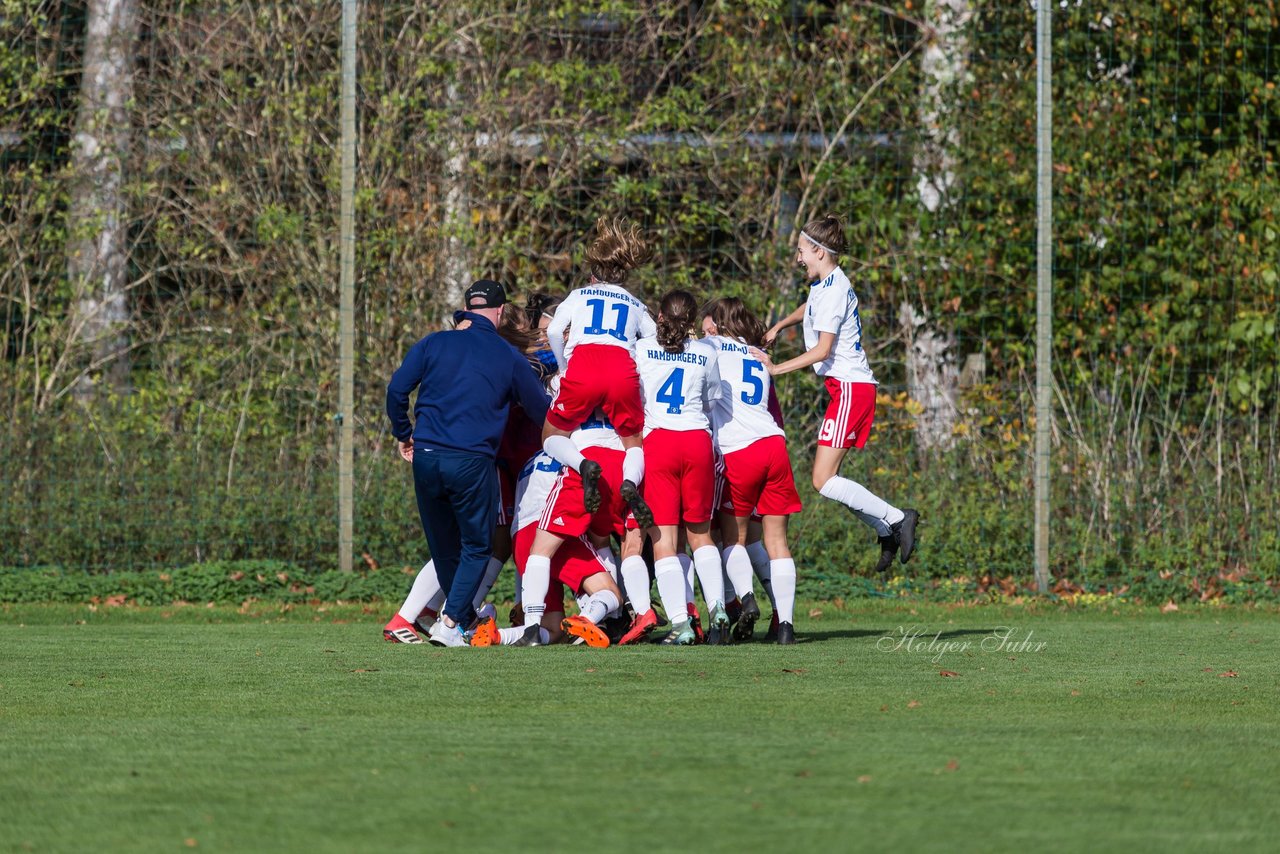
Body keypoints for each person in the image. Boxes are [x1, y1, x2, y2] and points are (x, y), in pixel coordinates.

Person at [384, 279, 550, 647]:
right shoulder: (507, 355)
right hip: (472, 460)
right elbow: (542, 411)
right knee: (479, 546)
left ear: (466, 308)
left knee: (445, 547)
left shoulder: (433, 342)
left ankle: (459, 616)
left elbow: (396, 390)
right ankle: (451, 622)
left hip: (425, 457)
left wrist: (403, 432)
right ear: (501, 311)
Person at [760, 215, 919, 574]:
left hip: (850, 390)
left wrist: (776, 369)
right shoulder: (827, 284)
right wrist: (780, 325)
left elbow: (821, 350)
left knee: (822, 480)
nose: (798, 258)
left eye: (802, 251)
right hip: (847, 389)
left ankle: (898, 519)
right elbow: (811, 308)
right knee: (827, 481)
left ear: (818, 251)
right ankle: (887, 529)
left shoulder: (833, 290)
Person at [541, 217, 656, 527]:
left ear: (592, 276)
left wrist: (565, 368)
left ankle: (583, 465)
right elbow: (654, 337)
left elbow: (553, 331)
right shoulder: (635, 303)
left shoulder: (579, 295)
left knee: (552, 434)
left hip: (585, 367)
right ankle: (630, 482)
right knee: (633, 441)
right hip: (621, 369)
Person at [627, 290, 726, 646]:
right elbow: (712, 399)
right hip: (696, 441)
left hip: (660, 444)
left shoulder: (640, 349)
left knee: (663, 540)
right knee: (701, 535)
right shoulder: (705, 351)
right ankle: (717, 610)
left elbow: (633, 394)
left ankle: (682, 624)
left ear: (659, 316)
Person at [702, 297, 804, 644]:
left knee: (734, 540)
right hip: (774, 444)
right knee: (778, 542)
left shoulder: (710, 346)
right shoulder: (756, 353)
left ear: (716, 324)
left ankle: (745, 600)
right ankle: (786, 627)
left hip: (739, 450)